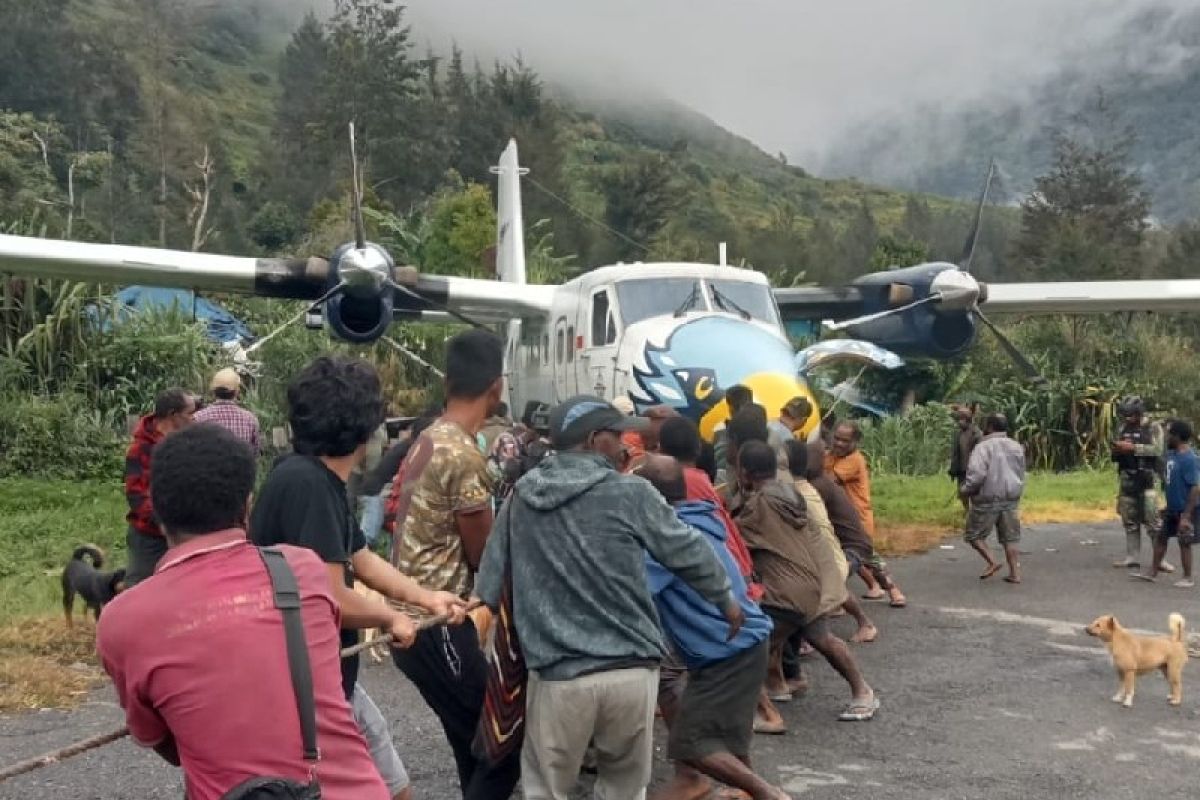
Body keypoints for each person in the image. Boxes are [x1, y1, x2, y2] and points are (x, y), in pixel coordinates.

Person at [98, 423, 390, 800]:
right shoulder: (304, 570)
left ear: (155, 509)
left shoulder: (123, 620)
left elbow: (163, 740)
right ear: (247, 505)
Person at [475, 395, 740, 800]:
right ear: (595, 440)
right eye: (618, 436)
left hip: (559, 679)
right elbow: (688, 550)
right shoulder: (632, 493)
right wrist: (726, 599)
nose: (625, 445)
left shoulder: (523, 496)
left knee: (546, 790)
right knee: (623, 790)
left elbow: (489, 580)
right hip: (630, 676)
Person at [252, 356, 466, 800]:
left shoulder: (312, 478)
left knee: (391, 779)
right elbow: (332, 598)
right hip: (307, 687)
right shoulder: (307, 486)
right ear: (367, 430)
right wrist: (390, 619)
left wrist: (427, 599)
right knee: (384, 785)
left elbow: (360, 558)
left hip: (323, 677)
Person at [387, 329, 522, 800]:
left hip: (410, 616)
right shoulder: (464, 455)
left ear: (447, 383)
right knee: (502, 745)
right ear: (497, 388)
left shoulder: (430, 436)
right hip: (436, 624)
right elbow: (483, 556)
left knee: (469, 741)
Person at [636, 455, 785, 800]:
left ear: (644, 496)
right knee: (729, 736)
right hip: (746, 640)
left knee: (690, 745)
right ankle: (745, 789)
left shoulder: (666, 540)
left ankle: (766, 793)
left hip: (727, 649)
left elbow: (633, 591)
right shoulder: (699, 518)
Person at [732, 440, 879, 722]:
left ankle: (765, 714)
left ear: (745, 472)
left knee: (749, 645)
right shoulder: (790, 494)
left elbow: (734, 537)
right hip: (811, 582)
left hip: (786, 589)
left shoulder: (760, 506)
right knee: (819, 637)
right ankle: (861, 692)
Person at [784, 440, 886, 645]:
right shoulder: (814, 484)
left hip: (852, 547)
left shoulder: (816, 487)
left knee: (829, 582)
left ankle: (864, 623)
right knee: (830, 581)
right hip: (847, 544)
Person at [124, 387, 195, 586]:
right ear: (173, 415)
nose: (195, 418)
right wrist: (168, 522)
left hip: (184, 534)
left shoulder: (188, 444)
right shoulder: (141, 449)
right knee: (138, 592)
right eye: (190, 413)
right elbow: (137, 498)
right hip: (151, 536)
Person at [959, 413, 1026, 584]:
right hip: (1011, 497)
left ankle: (992, 561)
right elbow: (1021, 471)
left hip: (987, 498)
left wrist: (966, 490)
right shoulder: (1016, 446)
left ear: (989, 427)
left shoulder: (983, 447)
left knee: (973, 535)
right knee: (1010, 538)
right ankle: (1015, 573)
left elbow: (977, 475)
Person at [825, 421, 887, 600]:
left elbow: (828, 480)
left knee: (868, 559)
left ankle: (892, 590)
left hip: (856, 518)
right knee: (852, 557)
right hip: (841, 518)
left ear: (855, 442)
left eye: (845, 441)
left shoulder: (853, 460)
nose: (838, 443)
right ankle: (875, 587)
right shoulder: (831, 457)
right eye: (836, 438)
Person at [1112, 396, 1172, 572]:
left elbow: (1157, 450)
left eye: (1130, 415)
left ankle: (1160, 560)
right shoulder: (1123, 427)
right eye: (1125, 415)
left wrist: (1133, 448)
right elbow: (1116, 449)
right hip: (1127, 478)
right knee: (1129, 520)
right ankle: (1132, 557)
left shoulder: (1153, 427)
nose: (1127, 419)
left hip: (1147, 479)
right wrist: (1117, 448)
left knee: (1153, 521)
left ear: (1139, 413)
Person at [1135, 419, 1197, 588]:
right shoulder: (1172, 455)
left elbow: (1195, 488)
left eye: (1170, 434)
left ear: (1177, 436)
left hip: (1185, 509)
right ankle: (1153, 572)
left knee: (1184, 541)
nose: (1168, 437)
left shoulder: (1189, 459)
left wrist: (1186, 515)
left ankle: (1187, 577)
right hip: (1172, 507)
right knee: (1162, 538)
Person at [193, 367, 260, 455]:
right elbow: (255, 453)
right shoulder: (250, 420)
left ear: (214, 391)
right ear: (236, 392)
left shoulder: (198, 418)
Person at [948, 405, 982, 511]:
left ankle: (975, 511)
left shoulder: (976, 433)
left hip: (974, 469)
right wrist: (953, 470)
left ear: (967, 420)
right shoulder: (958, 433)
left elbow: (980, 452)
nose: (958, 422)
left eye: (960, 419)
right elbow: (955, 453)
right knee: (962, 492)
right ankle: (967, 511)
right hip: (961, 469)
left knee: (975, 492)